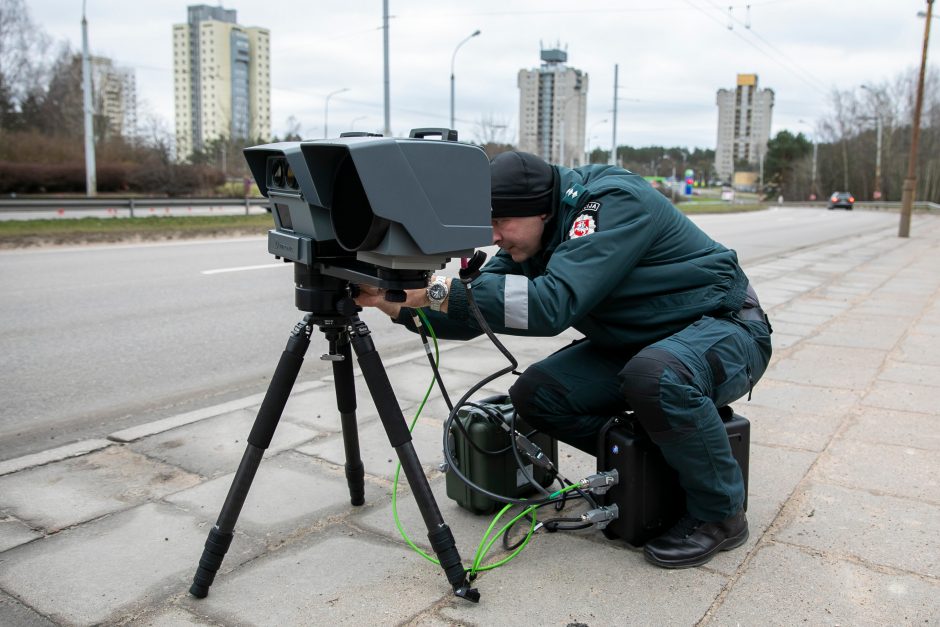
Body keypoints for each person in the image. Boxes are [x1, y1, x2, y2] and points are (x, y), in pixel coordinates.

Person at [355, 151, 772, 569]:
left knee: (657, 377)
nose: (494, 236)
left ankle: (721, 515)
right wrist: (392, 303)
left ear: (539, 211)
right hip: (641, 342)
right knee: (538, 395)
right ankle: (663, 462)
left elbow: (551, 305)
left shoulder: (613, 202)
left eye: (501, 222)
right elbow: (478, 307)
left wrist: (434, 290)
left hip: (724, 330)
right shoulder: (541, 230)